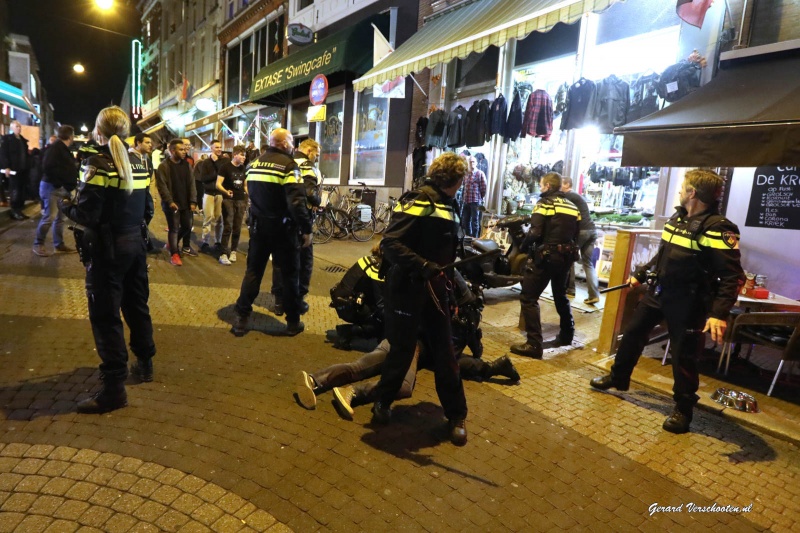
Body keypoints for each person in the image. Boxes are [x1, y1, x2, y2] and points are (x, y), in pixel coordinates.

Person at [590, 169, 745, 434]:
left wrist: (718, 313)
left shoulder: (719, 228)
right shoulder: (678, 218)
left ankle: (683, 410)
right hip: (658, 293)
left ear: (692, 192)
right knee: (632, 335)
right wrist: (639, 275)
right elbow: (662, 255)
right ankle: (618, 378)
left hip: (689, 302)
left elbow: (732, 276)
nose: (679, 191)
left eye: (683, 187)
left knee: (683, 356)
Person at [59, 106, 156, 413]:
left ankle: (114, 389)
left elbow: (88, 214)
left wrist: (65, 206)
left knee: (105, 315)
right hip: (136, 245)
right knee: (137, 305)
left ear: (98, 132)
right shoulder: (139, 162)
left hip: (108, 248)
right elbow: (149, 209)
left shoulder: (95, 165)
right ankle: (145, 363)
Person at [370, 152, 469, 445]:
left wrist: (450, 288)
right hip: (408, 288)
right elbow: (391, 244)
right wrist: (424, 266)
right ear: (457, 179)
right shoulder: (421, 200)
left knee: (445, 353)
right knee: (401, 349)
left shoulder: (449, 204)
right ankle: (382, 402)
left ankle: (456, 415)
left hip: (436, 290)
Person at [296, 339, 520, 420]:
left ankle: (317, 380)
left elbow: (467, 358)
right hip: (410, 343)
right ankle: (351, 391)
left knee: (361, 366)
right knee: (399, 384)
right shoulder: (440, 301)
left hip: (411, 344)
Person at [232, 128, 311, 337]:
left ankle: (241, 318)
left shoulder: (253, 164)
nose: (293, 146)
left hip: (259, 229)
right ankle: (293, 322)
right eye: (292, 142)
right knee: (289, 276)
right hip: (283, 231)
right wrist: (306, 229)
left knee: (253, 272)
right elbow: (296, 202)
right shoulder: (289, 166)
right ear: (285, 144)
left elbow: (250, 191)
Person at [511, 172, 580, 359]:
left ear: (548, 186)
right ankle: (567, 334)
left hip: (546, 257)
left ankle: (534, 344)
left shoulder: (544, 204)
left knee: (528, 298)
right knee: (560, 295)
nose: (540, 188)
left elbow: (534, 232)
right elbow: (577, 234)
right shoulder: (573, 206)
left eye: (541, 185)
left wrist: (524, 248)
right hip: (566, 258)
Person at [270, 139, 322, 312]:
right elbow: (309, 193)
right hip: (300, 218)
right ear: (309, 150)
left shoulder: (285, 162)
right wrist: (317, 200)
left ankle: (279, 301)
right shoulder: (307, 166)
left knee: (279, 261)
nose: (316, 158)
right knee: (304, 260)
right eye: (316, 154)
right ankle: (297, 300)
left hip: (280, 218)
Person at [33, 125, 79, 256]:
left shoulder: (62, 148)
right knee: (50, 217)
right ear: (70, 136)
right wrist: (59, 184)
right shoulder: (56, 148)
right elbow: (47, 166)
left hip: (58, 188)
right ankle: (38, 243)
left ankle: (59, 245)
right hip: (52, 188)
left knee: (60, 218)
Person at [329, 244, 385, 348]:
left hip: (345, 301)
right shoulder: (377, 269)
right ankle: (349, 331)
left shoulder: (371, 260)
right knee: (380, 321)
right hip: (348, 306)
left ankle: (350, 329)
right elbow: (380, 304)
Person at [155, 139, 197, 266]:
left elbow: (192, 184)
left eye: (185, 149)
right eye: (181, 149)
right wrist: (169, 201)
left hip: (186, 203)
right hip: (172, 204)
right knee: (173, 228)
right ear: (172, 150)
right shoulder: (164, 166)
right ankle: (174, 253)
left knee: (187, 226)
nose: (185, 152)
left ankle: (171, 244)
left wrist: (193, 201)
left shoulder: (187, 165)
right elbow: (162, 186)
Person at [561, 176, 600, 305]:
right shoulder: (577, 196)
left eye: (560, 184)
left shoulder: (569, 196)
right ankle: (594, 295)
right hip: (592, 230)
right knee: (588, 263)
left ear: (566, 184)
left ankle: (570, 289)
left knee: (569, 257)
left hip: (582, 231)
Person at [215, 145, 248, 265]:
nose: (244, 157)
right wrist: (225, 191)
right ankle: (223, 253)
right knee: (227, 225)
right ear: (235, 155)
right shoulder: (225, 167)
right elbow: (218, 184)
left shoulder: (243, 168)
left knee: (237, 227)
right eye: (242, 155)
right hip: (228, 200)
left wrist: (249, 195)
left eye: (244, 155)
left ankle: (233, 250)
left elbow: (245, 185)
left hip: (240, 200)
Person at [194, 140, 224, 250]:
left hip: (220, 194)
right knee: (208, 217)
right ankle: (205, 242)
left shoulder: (224, 161)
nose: (219, 149)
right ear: (211, 148)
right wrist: (216, 175)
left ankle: (218, 241)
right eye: (217, 147)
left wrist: (216, 166)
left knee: (219, 219)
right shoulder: (205, 162)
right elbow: (203, 178)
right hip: (208, 193)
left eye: (220, 147)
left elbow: (224, 176)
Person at [129, 133, 156, 251]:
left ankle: (141, 239)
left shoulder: (147, 160)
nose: (150, 145)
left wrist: (153, 197)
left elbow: (152, 180)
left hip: (146, 195)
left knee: (148, 214)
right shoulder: (129, 158)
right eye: (147, 142)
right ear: (138, 143)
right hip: (134, 197)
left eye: (151, 143)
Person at [1, 120, 31, 219]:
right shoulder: (8, 139)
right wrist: (6, 167)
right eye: (16, 126)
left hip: (23, 170)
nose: (19, 128)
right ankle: (14, 211)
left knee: (21, 190)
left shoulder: (22, 140)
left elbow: (25, 155)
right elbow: (4, 154)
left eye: (19, 126)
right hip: (14, 170)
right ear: (12, 128)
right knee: (15, 190)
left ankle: (19, 210)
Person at [460, 156, 487, 237]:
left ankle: (475, 239)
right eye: (470, 162)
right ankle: (468, 237)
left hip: (475, 201)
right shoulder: (465, 174)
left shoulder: (480, 173)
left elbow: (483, 188)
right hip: (466, 200)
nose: (472, 163)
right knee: (466, 221)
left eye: (473, 162)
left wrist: (480, 198)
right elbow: (464, 186)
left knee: (475, 221)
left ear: (476, 163)